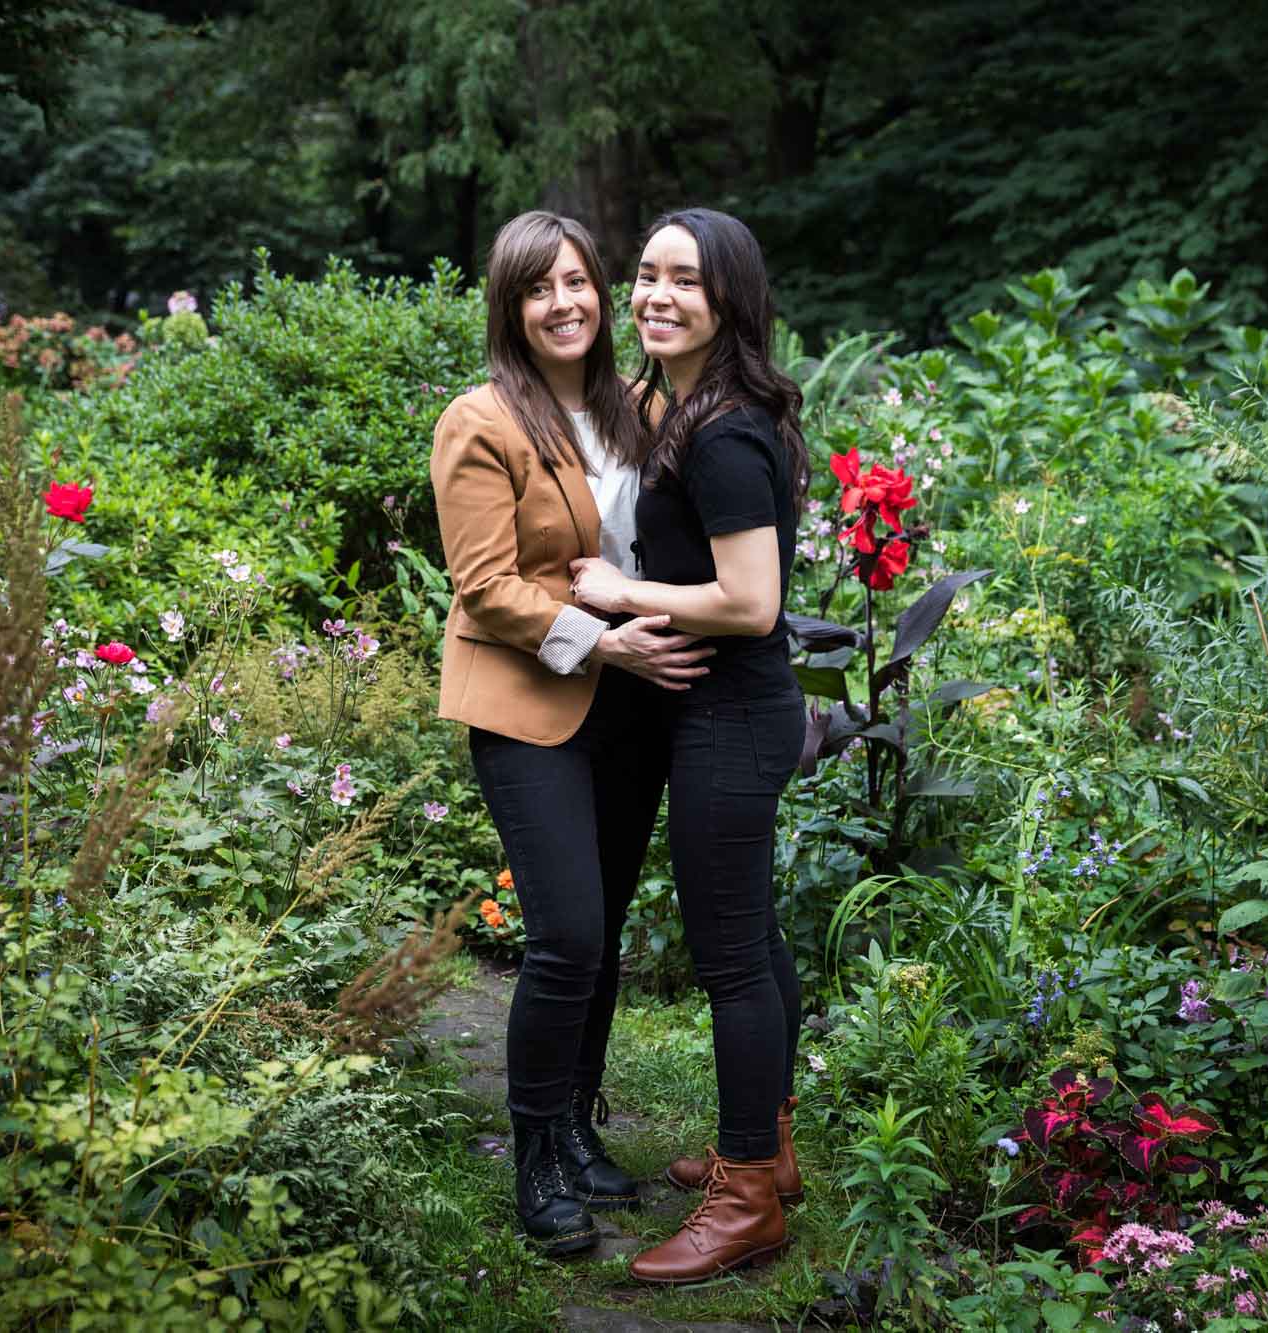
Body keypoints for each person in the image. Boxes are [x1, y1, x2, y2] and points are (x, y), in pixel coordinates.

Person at [429, 210, 715, 1256]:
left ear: (601, 293)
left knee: (599, 947)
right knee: (566, 940)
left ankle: (577, 1127)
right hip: (532, 703)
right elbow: (487, 586)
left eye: (579, 283)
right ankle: (533, 1154)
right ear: (511, 308)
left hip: (632, 711)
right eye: (539, 288)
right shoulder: (480, 419)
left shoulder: (634, 410)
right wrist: (607, 645)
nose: (565, 304)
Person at [566, 207, 808, 1284]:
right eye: (646, 275)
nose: (656, 296)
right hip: (712, 709)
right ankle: (773, 1145)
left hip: (730, 713)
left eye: (685, 283)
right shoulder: (678, 402)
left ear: (729, 301)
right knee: (750, 938)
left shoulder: (720, 431)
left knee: (729, 961)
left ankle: (747, 1192)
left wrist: (620, 591)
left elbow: (751, 600)